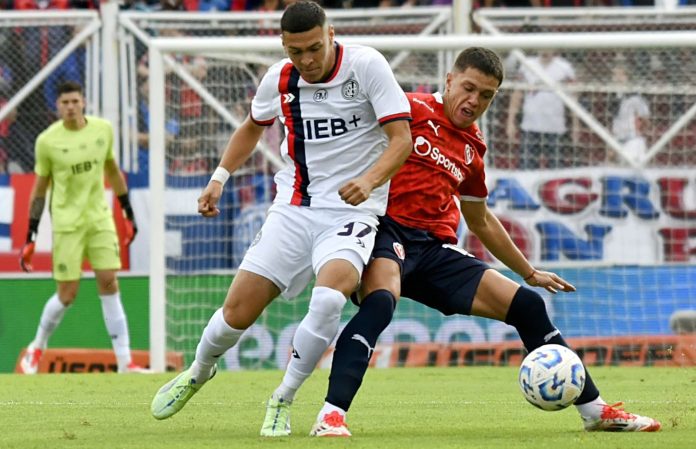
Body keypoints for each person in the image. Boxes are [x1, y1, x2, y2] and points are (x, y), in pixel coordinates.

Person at [306, 47, 661, 436]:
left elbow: (480, 219)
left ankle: (595, 410)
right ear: (449, 81)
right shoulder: (409, 108)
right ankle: (331, 415)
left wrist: (529, 271)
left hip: (433, 249)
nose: (474, 101)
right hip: (384, 232)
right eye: (469, 88)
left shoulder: (473, 147)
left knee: (527, 304)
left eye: (487, 95)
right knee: (380, 303)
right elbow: (345, 125)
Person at [149, 0, 412, 432]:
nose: (306, 60)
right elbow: (253, 125)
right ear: (284, 46)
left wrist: (368, 180)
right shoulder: (279, 78)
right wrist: (219, 177)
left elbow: (400, 138)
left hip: (352, 211)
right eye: (296, 51)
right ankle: (198, 371)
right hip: (292, 209)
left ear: (330, 34)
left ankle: (282, 398)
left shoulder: (367, 66)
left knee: (329, 299)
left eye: (313, 48)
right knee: (236, 313)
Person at [18, 81, 145, 374]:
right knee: (67, 294)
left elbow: (112, 170)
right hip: (67, 224)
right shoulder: (47, 141)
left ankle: (125, 363)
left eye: (75, 101)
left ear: (83, 102)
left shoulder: (103, 130)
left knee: (109, 281)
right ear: (57, 106)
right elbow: (39, 190)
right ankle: (37, 347)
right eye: (65, 103)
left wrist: (127, 212)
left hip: (99, 219)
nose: (71, 107)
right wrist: (31, 234)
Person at [506, 49, 579, 169]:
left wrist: (576, 125)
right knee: (526, 169)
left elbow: (573, 98)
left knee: (556, 171)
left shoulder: (565, 68)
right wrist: (510, 122)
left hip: (555, 128)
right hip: (530, 127)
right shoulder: (527, 65)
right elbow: (517, 95)